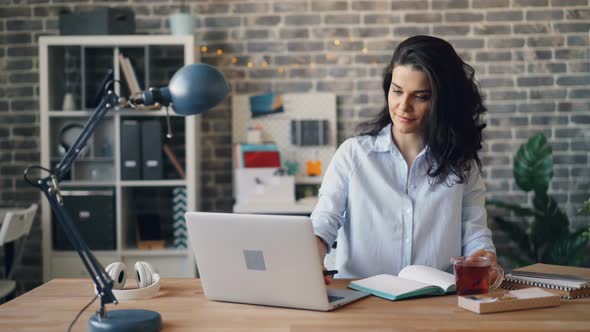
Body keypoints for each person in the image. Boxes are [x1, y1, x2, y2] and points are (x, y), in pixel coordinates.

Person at [311, 35, 497, 284]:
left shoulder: (462, 165)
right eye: (397, 91)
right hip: (361, 301)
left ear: (442, 100)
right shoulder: (354, 155)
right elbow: (324, 221)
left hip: (435, 303)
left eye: (421, 96)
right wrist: (313, 257)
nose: (403, 106)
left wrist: (484, 259)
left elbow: (475, 234)